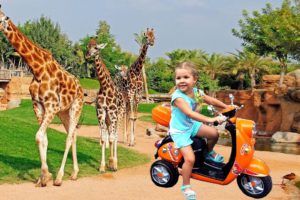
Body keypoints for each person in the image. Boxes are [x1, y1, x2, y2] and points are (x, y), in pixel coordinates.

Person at [169, 62, 231, 200]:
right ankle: (186, 186)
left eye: (186, 77)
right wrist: (212, 119)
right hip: (180, 131)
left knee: (214, 134)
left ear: (194, 79)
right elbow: (190, 113)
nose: (182, 81)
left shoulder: (196, 93)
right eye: (178, 78)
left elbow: (212, 101)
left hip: (191, 125)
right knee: (190, 159)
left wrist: (227, 107)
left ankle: (207, 153)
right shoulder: (178, 97)